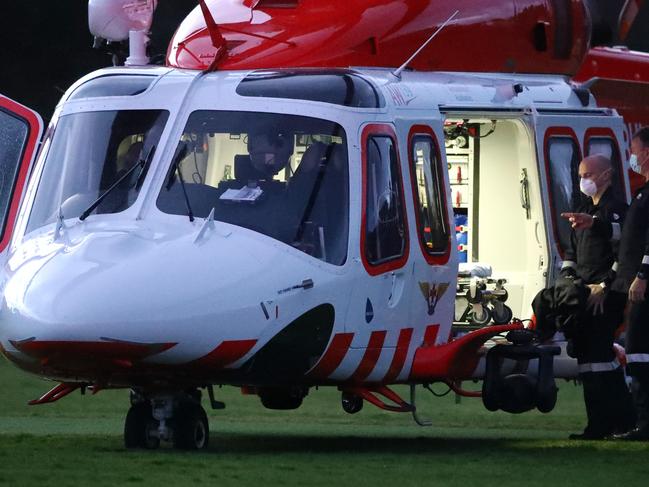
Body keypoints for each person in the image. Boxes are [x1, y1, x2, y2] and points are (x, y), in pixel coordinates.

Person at [559, 154, 635, 440]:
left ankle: (615, 421)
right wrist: (568, 281)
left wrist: (605, 286)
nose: (584, 180)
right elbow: (571, 254)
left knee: (599, 357)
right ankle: (602, 423)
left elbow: (624, 248)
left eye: (589, 174)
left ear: (606, 176)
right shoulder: (581, 210)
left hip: (606, 295)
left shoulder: (616, 210)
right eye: (581, 174)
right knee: (588, 360)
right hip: (584, 294)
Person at [612, 127, 649, 441]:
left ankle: (645, 423)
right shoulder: (643, 193)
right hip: (637, 282)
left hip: (645, 286)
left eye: (634, 150)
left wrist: (642, 275)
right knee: (637, 348)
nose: (632, 157)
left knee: (638, 349)